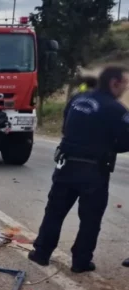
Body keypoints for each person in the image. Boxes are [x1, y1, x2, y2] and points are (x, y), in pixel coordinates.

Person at [28, 66, 129, 273]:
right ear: (114, 83)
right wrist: (109, 146)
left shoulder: (77, 99)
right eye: (124, 84)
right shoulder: (116, 110)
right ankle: (81, 261)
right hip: (94, 170)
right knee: (90, 219)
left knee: (54, 211)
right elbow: (126, 142)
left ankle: (41, 253)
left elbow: (66, 127)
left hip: (67, 164)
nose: (125, 89)